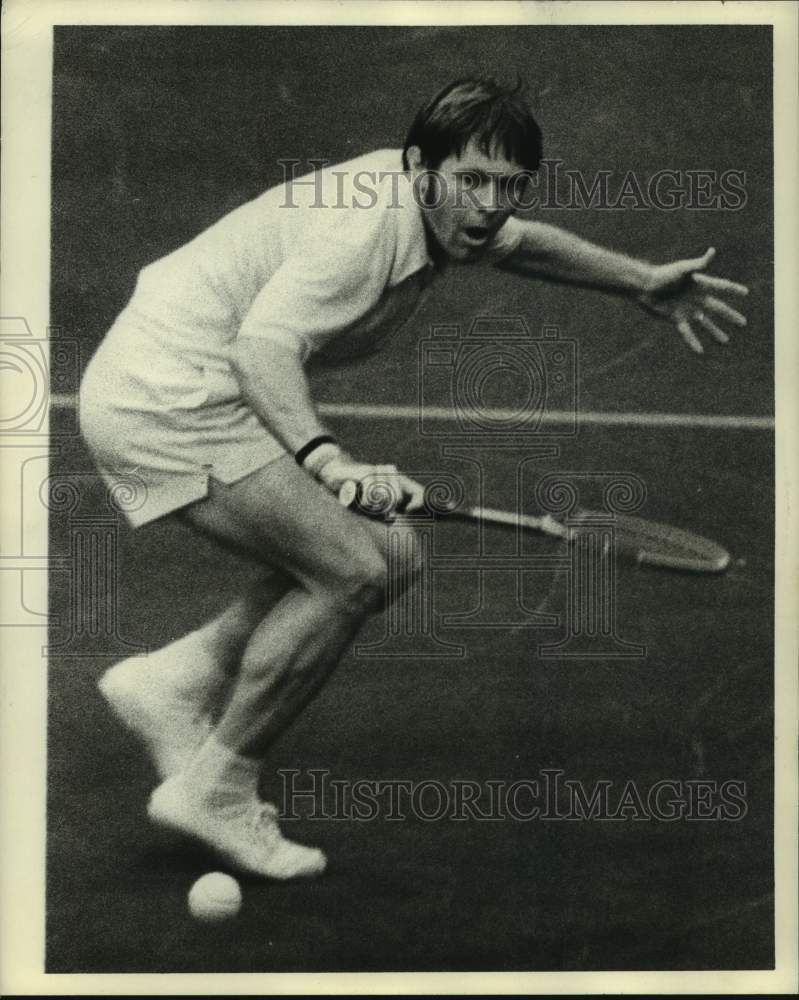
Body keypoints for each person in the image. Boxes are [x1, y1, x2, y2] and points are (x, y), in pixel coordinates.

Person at [80, 78, 749, 880]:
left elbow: (523, 243)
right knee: (354, 567)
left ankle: (175, 680)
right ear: (418, 168)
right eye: (472, 180)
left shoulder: (445, 209)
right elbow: (263, 351)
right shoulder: (364, 233)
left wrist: (637, 279)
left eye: (509, 185)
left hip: (193, 380)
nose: (491, 204)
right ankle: (216, 789)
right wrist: (330, 462)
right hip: (168, 399)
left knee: (387, 553)